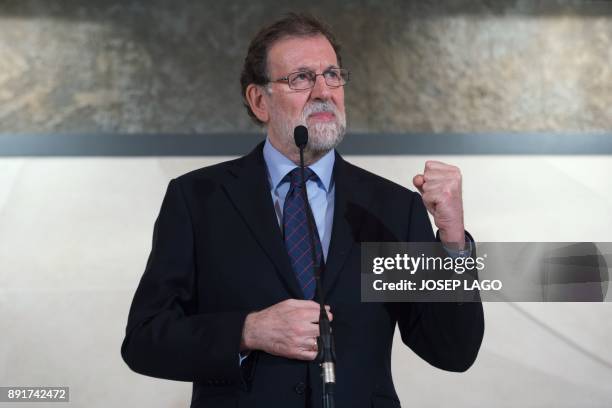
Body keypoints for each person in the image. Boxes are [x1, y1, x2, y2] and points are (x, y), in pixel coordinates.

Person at [121, 13, 484, 408]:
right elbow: (144, 339)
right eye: (301, 78)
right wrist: (247, 331)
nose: (323, 91)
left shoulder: (391, 208)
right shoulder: (198, 200)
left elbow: (453, 350)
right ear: (259, 101)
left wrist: (451, 242)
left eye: (332, 75)